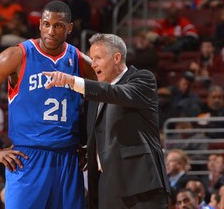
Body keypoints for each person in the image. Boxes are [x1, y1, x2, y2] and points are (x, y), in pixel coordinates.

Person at [0, 0, 95, 209]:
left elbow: (106, 98)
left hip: (68, 158)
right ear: (40, 24)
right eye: (47, 24)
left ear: (69, 28)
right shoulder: (17, 55)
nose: (51, 31)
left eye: (58, 25)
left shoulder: (78, 60)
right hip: (27, 158)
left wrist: (88, 144)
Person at [43, 33, 170, 208]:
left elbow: (114, 93)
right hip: (105, 187)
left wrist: (73, 81)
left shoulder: (142, 79)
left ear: (116, 58)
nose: (93, 64)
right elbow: (90, 133)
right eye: (91, 58)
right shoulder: (94, 95)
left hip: (140, 185)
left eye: (98, 58)